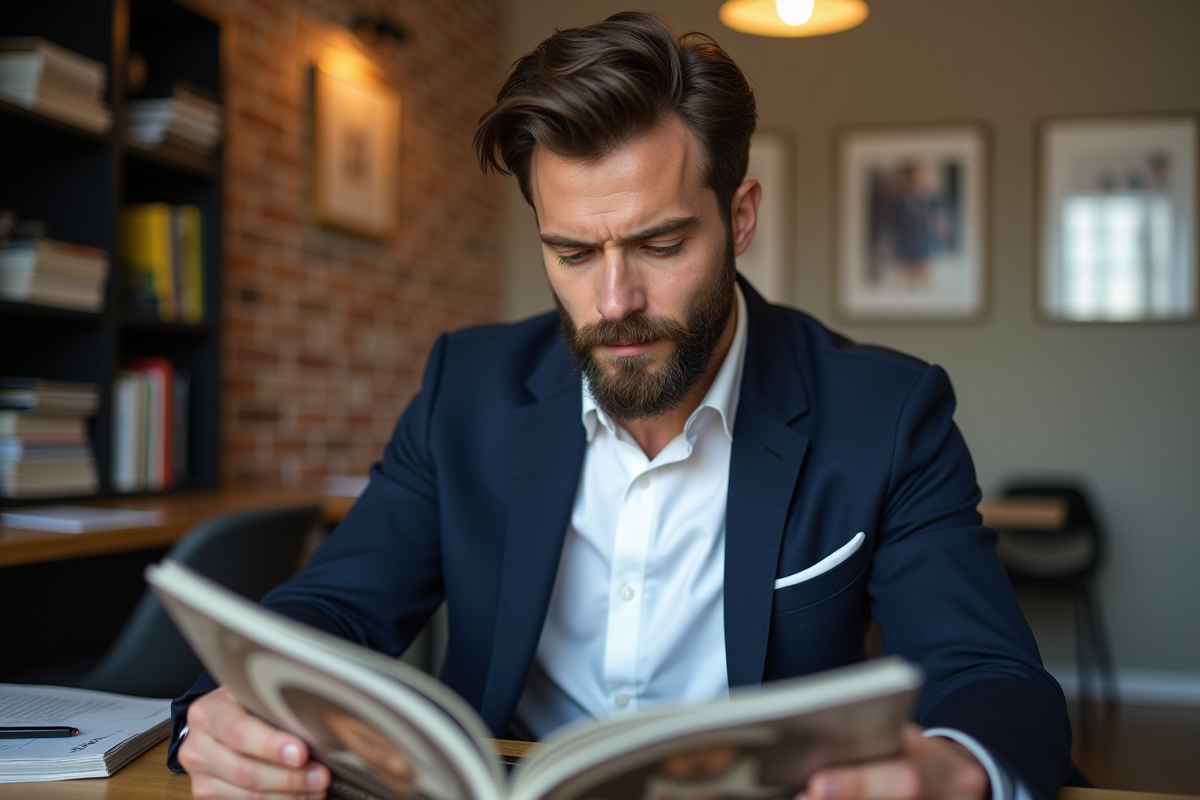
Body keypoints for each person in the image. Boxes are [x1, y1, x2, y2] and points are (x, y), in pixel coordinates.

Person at [170, 11, 1079, 800]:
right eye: (572, 253)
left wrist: (959, 771)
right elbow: (333, 608)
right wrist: (223, 716)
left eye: (661, 242)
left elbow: (989, 672)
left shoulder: (884, 412)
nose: (614, 302)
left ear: (741, 218)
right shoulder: (468, 388)